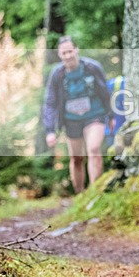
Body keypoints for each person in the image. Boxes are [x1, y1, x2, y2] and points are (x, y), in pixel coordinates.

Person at [43, 36, 113, 193]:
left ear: (76, 49)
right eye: (64, 53)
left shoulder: (92, 67)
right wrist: (50, 130)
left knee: (94, 149)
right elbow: (50, 102)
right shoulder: (57, 74)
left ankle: (95, 194)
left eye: (70, 51)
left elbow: (105, 92)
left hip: (94, 115)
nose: (68, 56)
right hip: (71, 120)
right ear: (59, 55)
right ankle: (80, 194)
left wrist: (111, 115)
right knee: (76, 159)